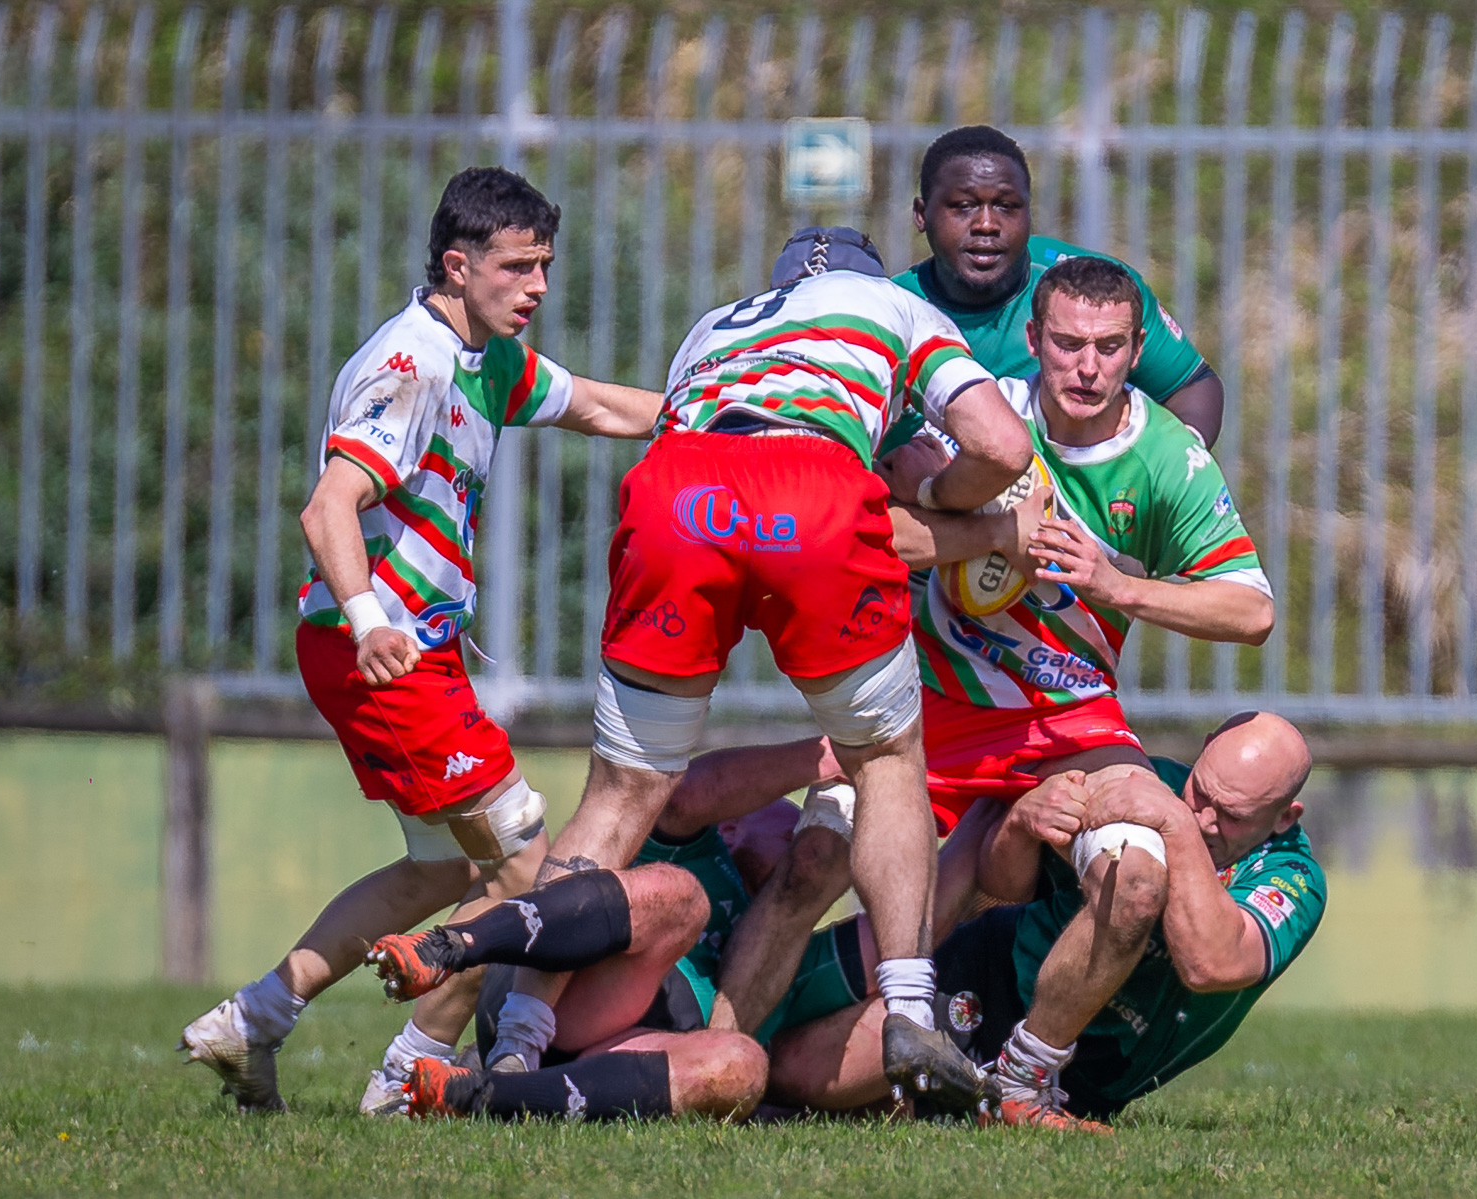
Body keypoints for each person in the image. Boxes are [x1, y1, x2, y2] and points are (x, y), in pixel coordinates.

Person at [480, 227, 1033, 1116]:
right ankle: (908, 1011)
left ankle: (515, 1039)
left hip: (681, 490)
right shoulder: (895, 306)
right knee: (886, 760)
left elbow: (691, 434)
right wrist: (949, 502)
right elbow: (1001, 448)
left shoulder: (717, 325)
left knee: (619, 796)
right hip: (811, 488)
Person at [715, 253, 1274, 1128]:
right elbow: (885, 534)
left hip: (1072, 720)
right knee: (814, 859)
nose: (1086, 367)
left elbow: (1250, 610)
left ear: (1136, 350)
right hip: (930, 714)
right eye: (1067, 344)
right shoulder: (982, 421)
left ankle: (1025, 1078)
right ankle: (721, 1060)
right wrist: (987, 534)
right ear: (1032, 340)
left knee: (1137, 871)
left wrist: (1116, 584)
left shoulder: (1170, 457)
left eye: (1110, 347)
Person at [178, 167, 662, 1115]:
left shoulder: (490, 357)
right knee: (522, 864)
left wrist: (735, 409)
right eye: (519, 267)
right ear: (457, 263)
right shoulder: (416, 364)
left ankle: (256, 1019)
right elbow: (328, 509)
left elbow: (608, 409)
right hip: (384, 654)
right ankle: (407, 1073)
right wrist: (371, 624)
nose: (538, 288)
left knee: (443, 870)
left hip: (406, 652)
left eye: (546, 266)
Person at [375, 744, 1000, 1122]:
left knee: (741, 1065)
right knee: (682, 898)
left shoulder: (779, 953)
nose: (792, 843)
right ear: (733, 828)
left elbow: (917, 918)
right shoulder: (692, 845)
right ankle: (453, 945)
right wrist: (838, 751)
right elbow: (690, 794)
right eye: (781, 825)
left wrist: (997, 794)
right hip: (549, 990)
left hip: (630, 1050)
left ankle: (487, 1095)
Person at [766, 715, 1323, 1133]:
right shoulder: (1144, 777)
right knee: (800, 1071)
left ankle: (975, 1097)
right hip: (997, 982)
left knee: (857, 1093)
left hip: (1086, 1076)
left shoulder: (1290, 877)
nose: (1205, 819)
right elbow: (1003, 885)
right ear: (1201, 755)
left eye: (1231, 816)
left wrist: (1173, 822)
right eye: (1201, 793)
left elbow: (1212, 963)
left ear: (1283, 817)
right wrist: (1023, 825)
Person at [895, 124, 1225, 445]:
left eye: (1006, 206)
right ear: (922, 215)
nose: (986, 224)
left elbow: (1193, 386)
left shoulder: (1100, 293)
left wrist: (1173, 474)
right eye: (964, 206)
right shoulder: (886, 312)